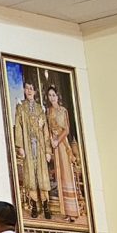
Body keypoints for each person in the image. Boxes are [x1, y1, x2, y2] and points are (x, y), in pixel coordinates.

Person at [14, 81, 52, 219]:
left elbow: (45, 130)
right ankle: (34, 205)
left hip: (40, 146)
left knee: (42, 175)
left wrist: (47, 150)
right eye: (27, 88)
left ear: (35, 92)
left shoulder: (40, 109)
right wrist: (20, 146)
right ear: (24, 90)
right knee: (30, 175)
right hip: (28, 146)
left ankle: (46, 205)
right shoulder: (21, 108)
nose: (29, 91)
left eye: (31, 89)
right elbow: (18, 127)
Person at [46, 85, 80, 223]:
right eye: (50, 95)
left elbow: (66, 130)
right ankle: (65, 211)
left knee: (67, 175)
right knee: (60, 176)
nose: (52, 98)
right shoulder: (48, 111)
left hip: (62, 143)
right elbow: (48, 129)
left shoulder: (63, 110)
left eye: (53, 95)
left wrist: (57, 141)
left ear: (57, 96)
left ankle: (73, 212)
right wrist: (51, 140)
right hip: (54, 145)